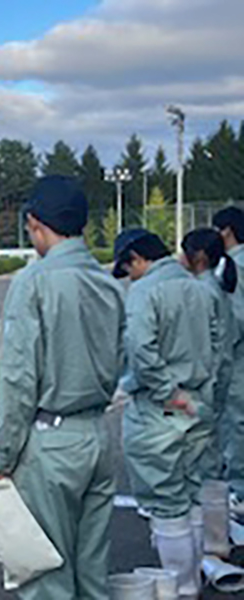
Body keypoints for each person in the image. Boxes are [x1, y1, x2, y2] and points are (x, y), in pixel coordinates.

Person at [0, 175, 126, 600]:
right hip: (98, 435)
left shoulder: (34, 281)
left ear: (35, 223)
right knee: (92, 572)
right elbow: (121, 357)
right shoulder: (108, 283)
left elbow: (18, 378)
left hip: (51, 440)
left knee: (47, 580)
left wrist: (3, 453)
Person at [114, 229, 217, 598]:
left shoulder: (144, 292)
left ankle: (181, 587)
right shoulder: (200, 288)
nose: (130, 277)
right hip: (198, 403)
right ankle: (192, 581)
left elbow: (141, 349)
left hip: (162, 409)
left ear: (137, 258)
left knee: (165, 502)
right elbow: (219, 345)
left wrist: (166, 392)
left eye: (129, 268)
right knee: (190, 495)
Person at [181, 228, 238, 482]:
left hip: (205, 381)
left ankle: (205, 510)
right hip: (220, 376)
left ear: (199, 256)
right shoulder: (216, 288)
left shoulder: (201, 292)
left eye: (185, 252)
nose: (181, 258)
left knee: (200, 451)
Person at [212, 207, 244, 510]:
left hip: (237, 359)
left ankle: (238, 490)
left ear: (227, 231)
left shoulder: (234, 265)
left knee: (236, 423)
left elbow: (235, 318)